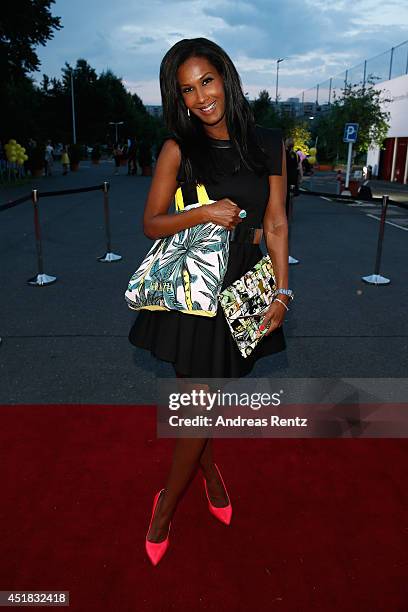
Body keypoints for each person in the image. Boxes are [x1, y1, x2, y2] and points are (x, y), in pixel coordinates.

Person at [128, 38, 292, 566]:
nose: (200, 97)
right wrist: (204, 213)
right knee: (199, 406)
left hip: (243, 284)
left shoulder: (268, 141)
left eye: (207, 81)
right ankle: (165, 508)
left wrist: (283, 291)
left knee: (199, 404)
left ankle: (209, 473)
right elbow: (152, 223)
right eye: (187, 89)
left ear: (226, 76)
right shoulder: (179, 149)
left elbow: (276, 222)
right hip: (194, 290)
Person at [285, 138, 299, 217]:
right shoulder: (294, 154)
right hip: (293, 178)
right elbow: (296, 166)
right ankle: (289, 214)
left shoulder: (284, 154)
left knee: (285, 197)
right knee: (291, 197)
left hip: (286, 178)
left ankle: (285, 213)